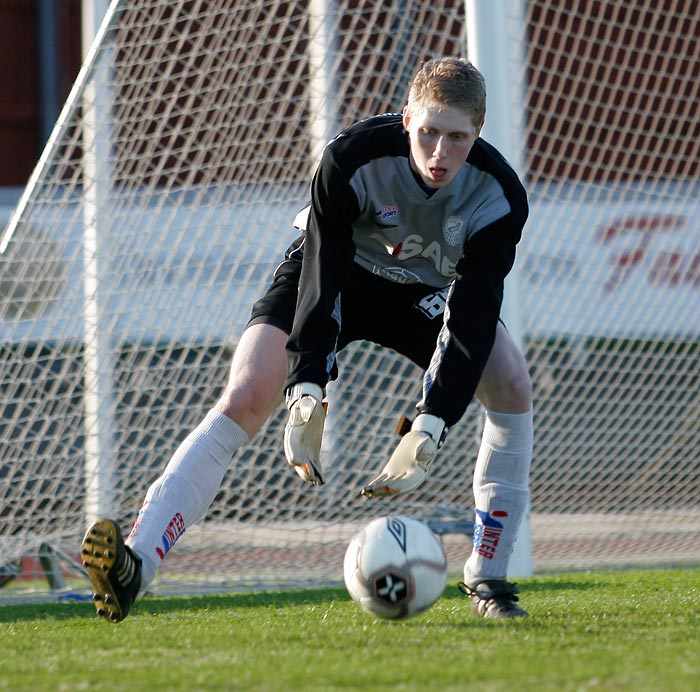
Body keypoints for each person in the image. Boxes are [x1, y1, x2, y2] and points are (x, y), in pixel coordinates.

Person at [81, 57, 533, 622]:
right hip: (335, 273)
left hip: (421, 292)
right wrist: (306, 384)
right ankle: (136, 566)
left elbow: (473, 309)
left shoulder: (499, 196)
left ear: (479, 134)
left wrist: (433, 420)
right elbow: (323, 273)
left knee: (512, 386)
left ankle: (488, 579)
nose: (440, 152)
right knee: (247, 395)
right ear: (407, 120)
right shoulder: (351, 157)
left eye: (457, 138)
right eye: (428, 133)